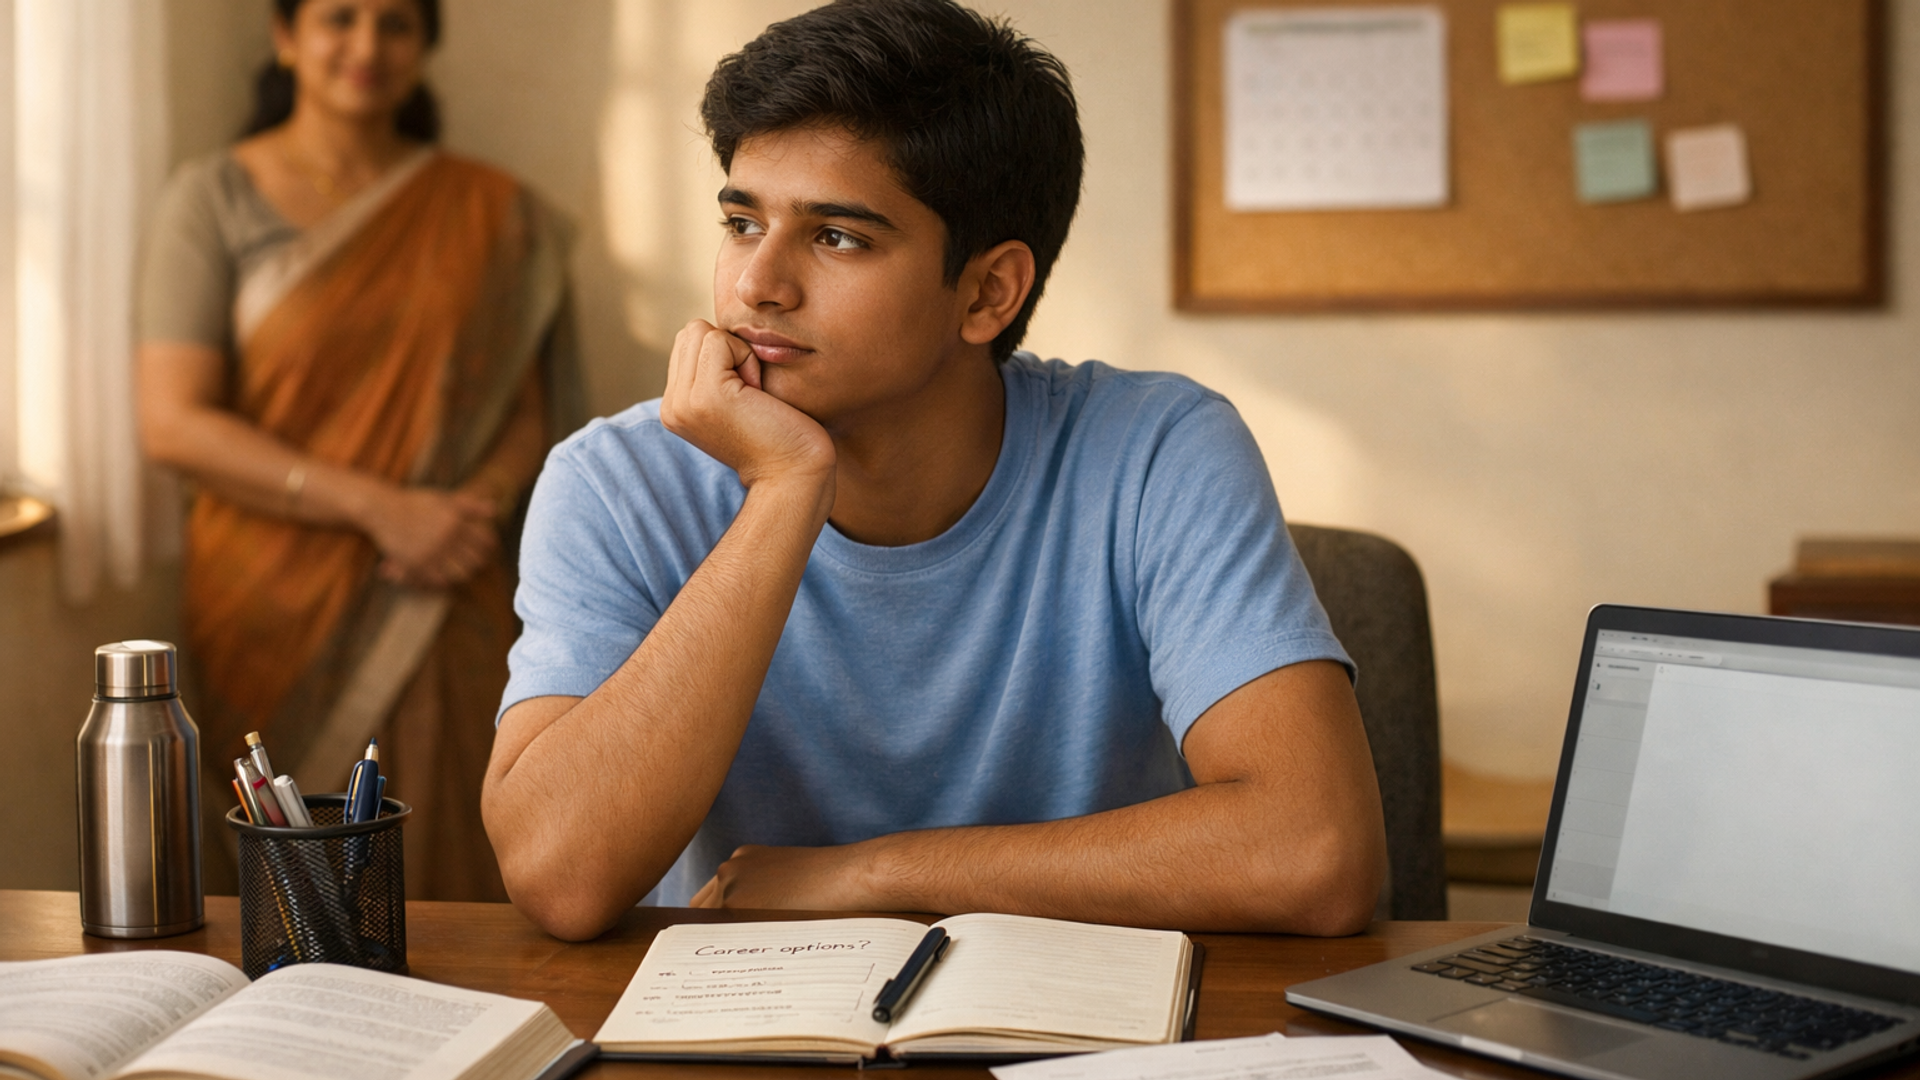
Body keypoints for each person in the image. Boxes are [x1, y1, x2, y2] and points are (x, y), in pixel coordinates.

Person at [484, 0, 1386, 941]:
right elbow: (560, 880)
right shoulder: (611, 483)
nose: (758, 284)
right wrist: (786, 491)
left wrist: (875, 874)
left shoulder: (1158, 449)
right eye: (744, 222)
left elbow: (1314, 853)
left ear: (988, 292)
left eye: (837, 237)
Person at [137, 0, 580, 901]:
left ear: (426, 44)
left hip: (445, 582)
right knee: (281, 885)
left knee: (449, 871)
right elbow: (173, 422)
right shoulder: (212, 196)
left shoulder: (488, 212)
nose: (368, 47)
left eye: (396, 24)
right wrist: (384, 509)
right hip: (267, 598)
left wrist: (460, 521)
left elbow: (526, 418)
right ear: (286, 36)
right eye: (339, 19)